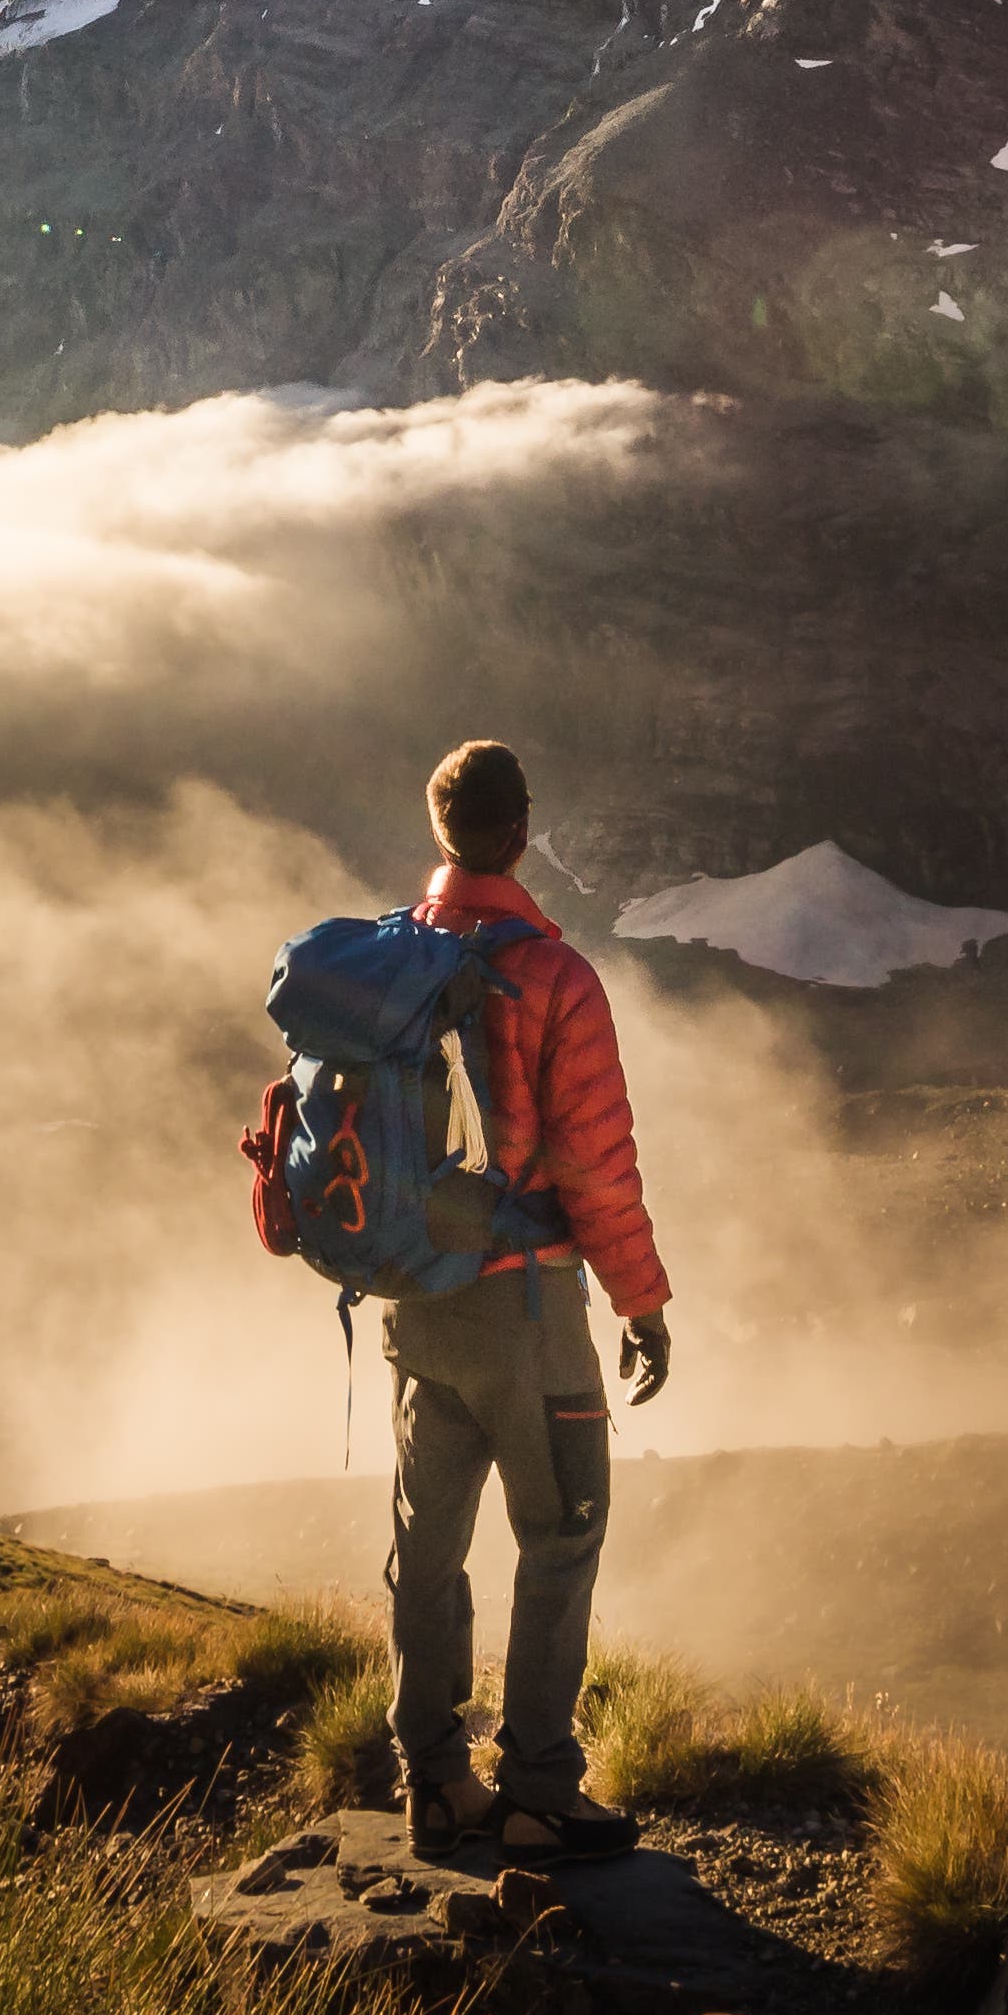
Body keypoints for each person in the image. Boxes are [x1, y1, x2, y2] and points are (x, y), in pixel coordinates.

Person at [387, 735, 672, 1862]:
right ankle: (539, 1788)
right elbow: (595, 1164)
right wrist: (641, 1303)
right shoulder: (553, 977)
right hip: (527, 1311)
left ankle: (434, 1780)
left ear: (440, 830)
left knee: (428, 1541)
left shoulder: (394, 957)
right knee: (561, 1534)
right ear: (521, 830)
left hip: (418, 1305)